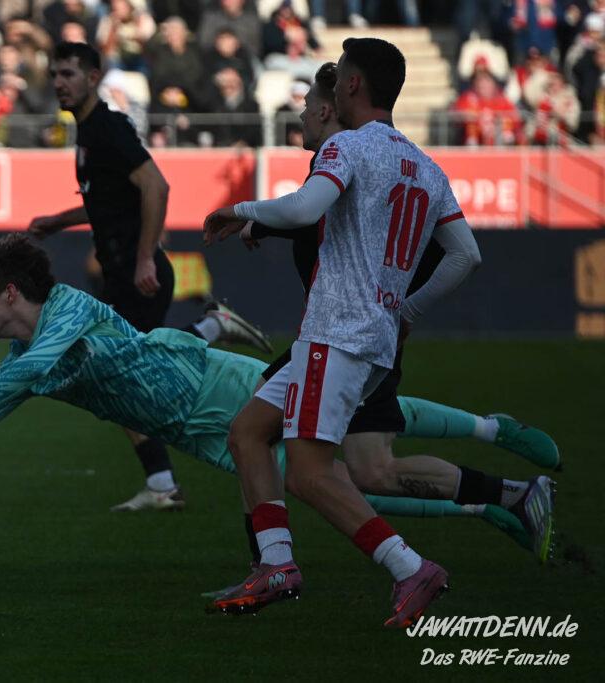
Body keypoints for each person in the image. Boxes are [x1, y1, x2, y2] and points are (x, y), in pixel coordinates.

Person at [0, 234, 549, 567]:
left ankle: (491, 428)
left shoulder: (66, 308)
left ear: (11, 292)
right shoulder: (20, 366)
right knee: (344, 485)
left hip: (218, 385)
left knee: (368, 431)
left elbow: (20, 377)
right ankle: (498, 503)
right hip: (201, 434)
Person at [202, 38, 553, 627]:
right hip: (369, 336)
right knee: (248, 432)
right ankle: (276, 563)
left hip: (337, 332)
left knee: (311, 473)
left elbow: (305, 209)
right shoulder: (425, 166)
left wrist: (242, 209)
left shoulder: (349, 145)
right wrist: (407, 311)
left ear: (352, 85)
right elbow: (466, 255)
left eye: (340, 77)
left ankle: (410, 567)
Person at [28, 42, 269, 512]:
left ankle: (211, 328)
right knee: (123, 377)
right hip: (121, 273)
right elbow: (108, 201)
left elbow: (156, 187)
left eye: (68, 74)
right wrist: (59, 221)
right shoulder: (88, 132)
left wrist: (144, 259)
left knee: (120, 371)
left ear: (93, 77)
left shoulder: (108, 127)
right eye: (54, 74)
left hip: (136, 272)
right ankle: (161, 483)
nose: (59, 82)